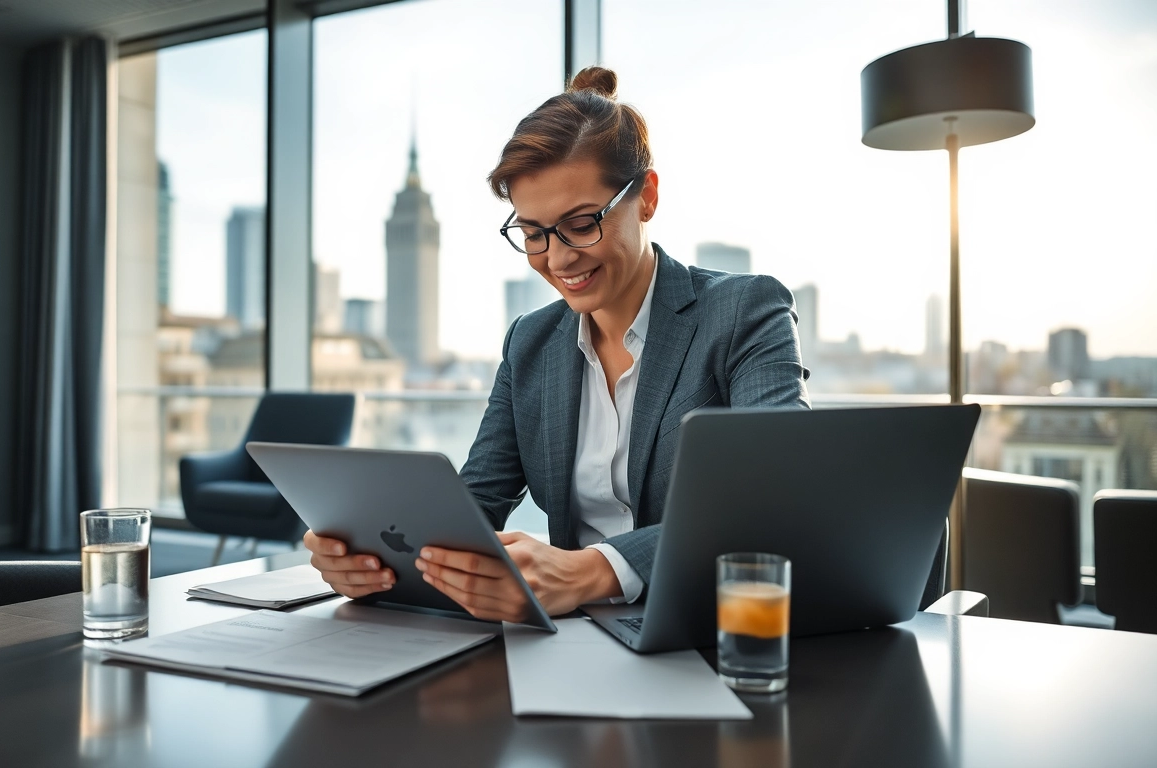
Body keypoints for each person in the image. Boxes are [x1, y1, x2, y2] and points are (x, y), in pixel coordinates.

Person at [304, 66, 810, 622]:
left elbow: (777, 498)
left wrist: (594, 570)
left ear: (646, 197)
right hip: (568, 634)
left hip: (712, 627)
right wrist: (379, 559)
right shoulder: (531, 342)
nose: (560, 257)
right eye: (534, 233)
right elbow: (475, 503)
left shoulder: (742, 312)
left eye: (582, 222)